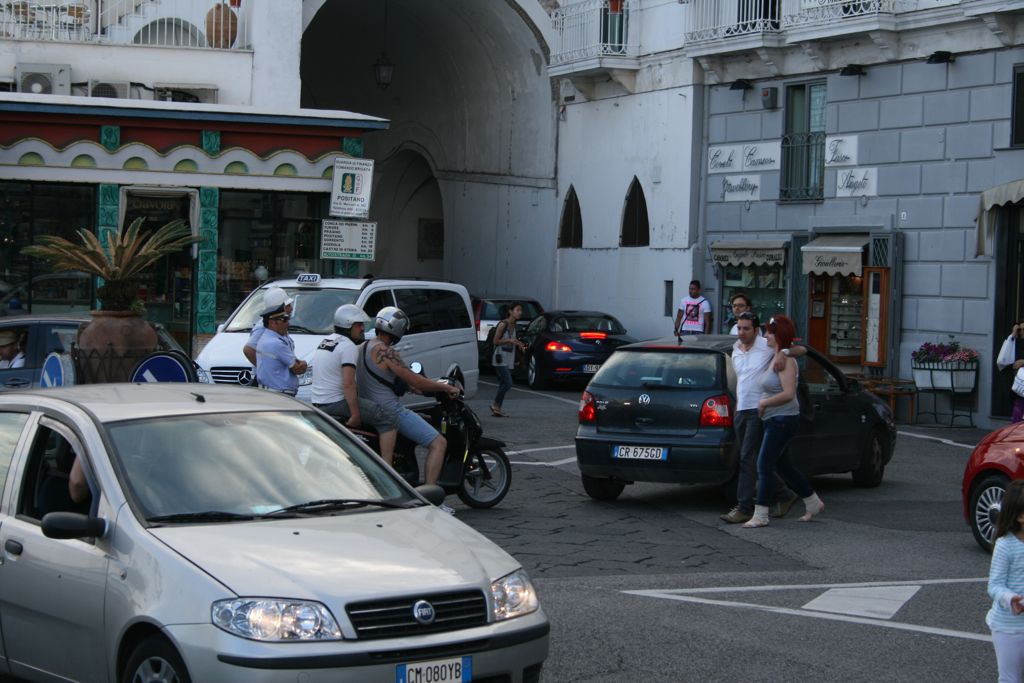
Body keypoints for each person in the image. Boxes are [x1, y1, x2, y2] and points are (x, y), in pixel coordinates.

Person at [358, 306, 460, 495]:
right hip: (391, 410)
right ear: (397, 329)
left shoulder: (363, 347)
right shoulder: (386, 352)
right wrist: (447, 387)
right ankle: (432, 495)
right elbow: (416, 379)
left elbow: (394, 380)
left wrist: (413, 388)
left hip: (369, 409)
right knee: (439, 443)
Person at [720, 311, 802, 524]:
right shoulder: (736, 350)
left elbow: (802, 350)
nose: (741, 332)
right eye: (739, 328)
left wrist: (783, 352)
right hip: (742, 409)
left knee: (746, 457)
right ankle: (784, 495)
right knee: (755, 459)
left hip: (759, 410)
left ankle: (744, 506)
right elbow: (741, 380)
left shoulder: (765, 345)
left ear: (756, 330)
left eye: (746, 328)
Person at [743, 315, 824, 529]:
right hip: (774, 419)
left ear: (778, 335)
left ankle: (761, 513)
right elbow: (799, 348)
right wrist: (784, 350)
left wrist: (764, 403)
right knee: (784, 465)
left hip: (783, 418)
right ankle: (812, 501)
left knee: (764, 464)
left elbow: (789, 393)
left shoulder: (785, 361)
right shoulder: (775, 355)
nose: (766, 336)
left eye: (770, 332)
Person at [311, 304, 399, 464]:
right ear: (347, 325)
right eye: (358, 325)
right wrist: (355, 414)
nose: (362, 328)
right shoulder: (348, 346)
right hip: (336, 403)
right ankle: (387, 470)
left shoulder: (326, 341)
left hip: (319, 403)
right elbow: (348, 384)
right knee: (389, 417)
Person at [986, 479, 1024, 682]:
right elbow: (994, 585)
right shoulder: (1006, 545)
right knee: (1010, 679)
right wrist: (1011, 599)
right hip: (1009, 627)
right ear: (1019, 516)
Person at [255, 303, 307, 395]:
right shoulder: (276, 343)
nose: (288, 323)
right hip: (280, 394)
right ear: (272, 322)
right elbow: (297, 369)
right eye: (284, 320)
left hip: (273, 392)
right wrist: (304, 363)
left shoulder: (266, 338)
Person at [490, 302, 526, 417]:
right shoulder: (503, 324)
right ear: (510, 311)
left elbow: (512, 340)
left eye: (521, 310)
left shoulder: (514, 325)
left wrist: (519, 343)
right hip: (500, 358)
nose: (520, 312)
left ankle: (498, 408)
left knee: (503, 383)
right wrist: (509, 341)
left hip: (509, 358)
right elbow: (495, 341)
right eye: (518, 310)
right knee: (508, 383)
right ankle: (495, 404)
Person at [243, 287, 293, 368]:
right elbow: (248, 350)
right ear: (279, 308)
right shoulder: (263, 326)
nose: (291, 308)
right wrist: (266, 371)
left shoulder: (279, 324)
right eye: (288, 305)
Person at [996, 321, 1024, 423]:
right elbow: (1003, 359)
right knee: (1018, 414)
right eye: (1019, 329)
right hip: (1018, 387)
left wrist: (1023, 362)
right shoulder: (1015, 342)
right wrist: (1013, 334)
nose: (1021, 332)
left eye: (1023, 329)